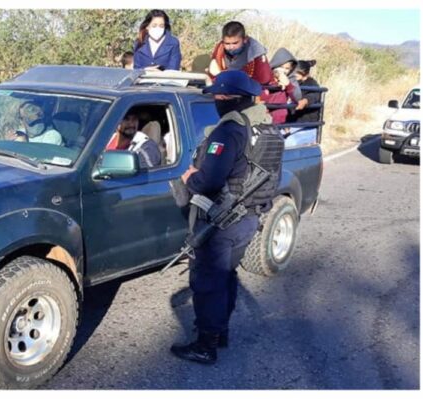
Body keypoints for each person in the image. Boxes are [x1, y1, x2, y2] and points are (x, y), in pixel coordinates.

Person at [171, 70, 269, 365]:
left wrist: (191, 177)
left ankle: (205, 345)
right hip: (248, 216)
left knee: (208, 280)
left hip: (222, 219)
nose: (215, 99)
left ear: (229, 98)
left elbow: (209, 181)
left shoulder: (228, 131)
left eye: (218, 95)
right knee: (226, 275)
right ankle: (219, 333)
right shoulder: (261, 126)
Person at [208, 21, 295, 123]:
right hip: (227, 97)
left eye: (235, 43)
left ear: (244, 40)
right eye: (227, 43)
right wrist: (218, 88)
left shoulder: (256, 53)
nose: (231, 47)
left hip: (254, 97)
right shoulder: (219, 50)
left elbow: (263, 79)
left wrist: (234, 88)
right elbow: (213, 72)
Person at [285, 60, 321, 147]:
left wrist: (304, 101)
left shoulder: (313, 85)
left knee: (289, 143)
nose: (293, 74)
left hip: (306, 127)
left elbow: (313, 96)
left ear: (305, 73)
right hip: (290, 125)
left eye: (296, 72)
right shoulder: (293, 83)